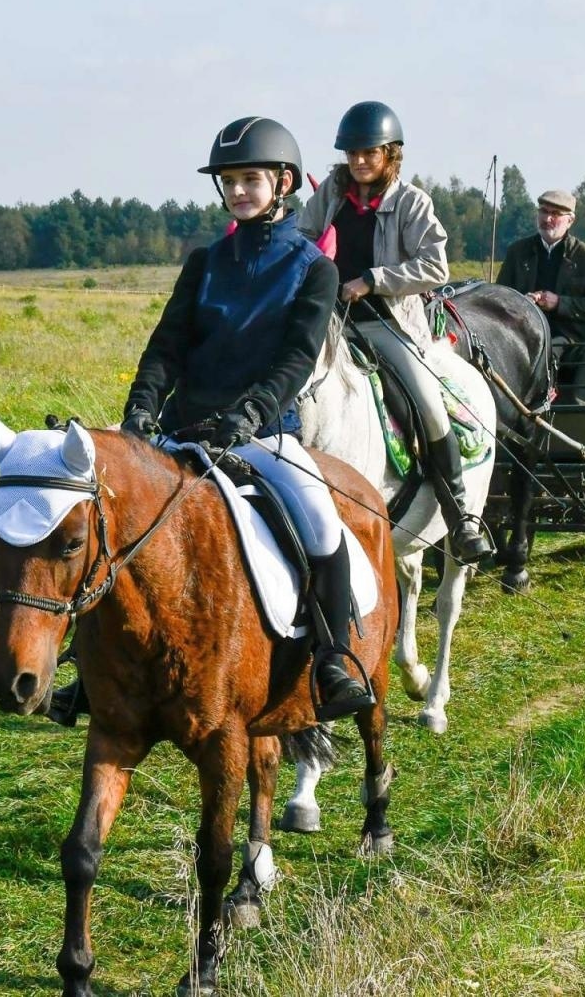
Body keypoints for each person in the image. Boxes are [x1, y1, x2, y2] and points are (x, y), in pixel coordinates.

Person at [51, 116, 374, 726]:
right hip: (183, 432)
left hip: (266, 433)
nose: (239, 192)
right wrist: (141, 407)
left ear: (282, 184)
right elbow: (167, 345)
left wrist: (250, 413)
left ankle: (333, 660)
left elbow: (295, 359)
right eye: (229, 181)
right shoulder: (204, 262)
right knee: (110, 523)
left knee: (321, 525)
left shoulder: (316, 270)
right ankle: (89, 670)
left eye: (250, 179)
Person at [300, 100, 491, 563]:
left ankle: (460, 514)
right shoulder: (329, 193)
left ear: (391, 154)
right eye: (353, 153)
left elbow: (435, 265)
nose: (360, 161)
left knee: (427, 402)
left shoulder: (412, 202)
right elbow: (303, 238)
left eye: (370, 153)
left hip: (389, 325)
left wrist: (373, 279)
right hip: (332, 322)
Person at [496, 188, 585, 401]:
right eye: (543, 211)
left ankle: (539, 406)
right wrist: (523, 302)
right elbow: (499, 294)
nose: (547, 219)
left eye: (555, 214)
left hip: (566, 336)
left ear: (570, 221)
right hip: (520, 330)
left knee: (545, 353)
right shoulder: (518, 252)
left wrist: (559, 303)